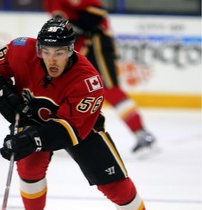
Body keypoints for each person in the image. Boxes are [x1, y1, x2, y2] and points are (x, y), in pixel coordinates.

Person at [0, 18, 148, 210]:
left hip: (80, 127)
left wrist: (31, 140)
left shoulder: (88, 81)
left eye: (59, 53)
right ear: (38, 49)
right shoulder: (20, 49)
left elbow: (70, 129)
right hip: (31, 116)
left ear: (70, 51)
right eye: (46, 52)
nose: (51, 59)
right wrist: (6, 100)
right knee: (29, 169)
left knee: (115, 186)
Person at [43, 0, 157, 156]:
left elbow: (97, 11)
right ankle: (61, 134)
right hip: (77, 47)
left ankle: (141, 133)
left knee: (109, 89)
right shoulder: (48, 2)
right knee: (62, 88)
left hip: (95, 43)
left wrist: (75, 26)